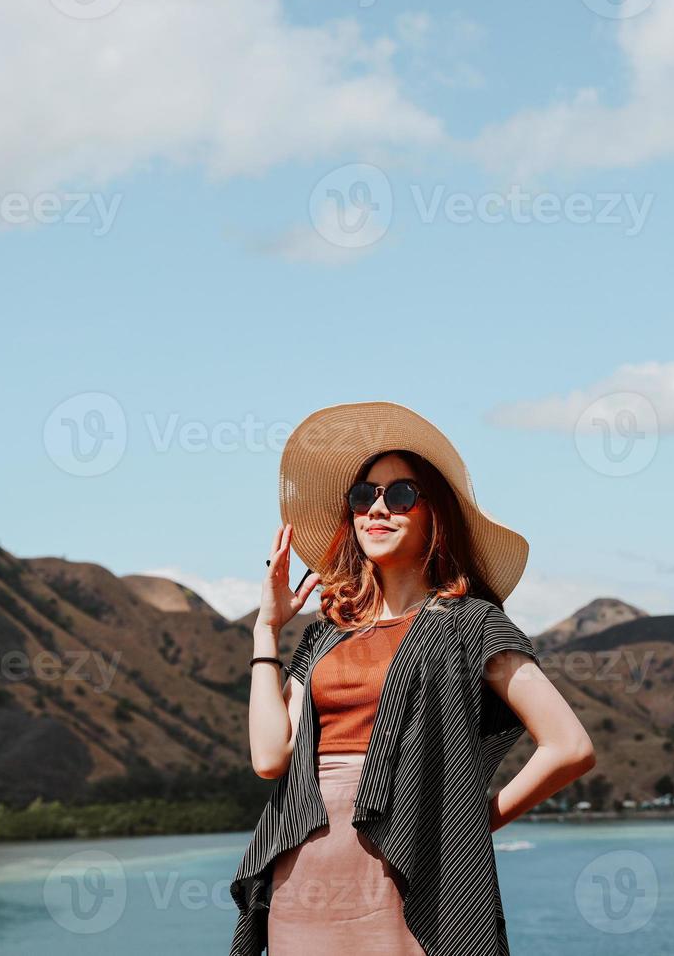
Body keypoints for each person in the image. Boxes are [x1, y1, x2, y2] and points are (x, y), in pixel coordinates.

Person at [230, 400, 595, 954]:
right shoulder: (324, 638)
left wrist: (466, 829)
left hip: (409, 878)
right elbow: (269, 758)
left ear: (435, 514)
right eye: (363, 496)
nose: (377, 508)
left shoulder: (470, 624)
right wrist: (266, 629)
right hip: (301, 876)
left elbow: (569, 747)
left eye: (399, 494)